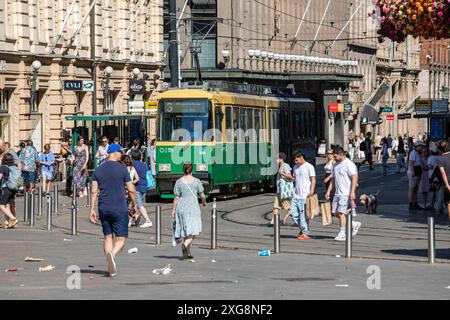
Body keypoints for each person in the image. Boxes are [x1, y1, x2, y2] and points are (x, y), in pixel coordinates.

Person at [89, 144, 137, 277]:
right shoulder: (122, 169)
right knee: (121, 239)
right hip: (119, 207)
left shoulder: (98, 170)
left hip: (103, 207)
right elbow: (131, 190)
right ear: (114, 153)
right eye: (120, 152)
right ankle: (113, 254)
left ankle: (111, 269)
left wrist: (92, 209)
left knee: (108, 237)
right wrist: (134, 206)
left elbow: (93, 191)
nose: (121, 155)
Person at [326, 146, 362, 241]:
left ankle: (343, 233)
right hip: (337, 193)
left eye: (335, 156)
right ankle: (353, 224)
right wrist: (329, 191)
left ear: (341, 154)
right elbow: (333, 179)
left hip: (346, 193)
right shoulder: (335, 165)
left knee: (341, 213)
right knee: (335, 213)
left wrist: (352, 192)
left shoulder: (349, 164)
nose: (334, 158)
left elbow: (354, 177)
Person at [172, 162, 206, 259]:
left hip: (181, 207)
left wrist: (173, 210)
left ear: (183, 170)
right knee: (194, 229)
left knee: (185, 229)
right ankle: (185, 244)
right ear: (192, 170)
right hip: (192, 207)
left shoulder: (178, 182)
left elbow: (176, 197)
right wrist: (203, 201)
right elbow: (202, 194)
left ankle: (188, 252)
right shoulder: (196, 181)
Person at [291, 152, 316, 241]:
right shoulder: (295, 167)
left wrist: (311, 190)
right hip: (296, 194)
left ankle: (305, 232)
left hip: (305, 195)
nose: (295, 162)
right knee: (293, 215)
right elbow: (295, 179)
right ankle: (303, 229)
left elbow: (313, 179)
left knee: (302, 215)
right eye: (294, 160)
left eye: (296, 160)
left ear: (301, 157)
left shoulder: (309, 166)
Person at [130, 149, 153, 228]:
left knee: (139, 205)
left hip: (137, 187)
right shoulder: (144, 164)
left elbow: (132, 175)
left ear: (132, 157)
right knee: (134, 204)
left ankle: (148, 220)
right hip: (144, 186)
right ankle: (129, 222)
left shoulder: (133, 165)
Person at [270, 153, 293, 225]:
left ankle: (284, 219)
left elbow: (290, 176)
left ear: (281, 159)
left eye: (277, 159)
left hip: (283, 191)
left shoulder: (285, 166)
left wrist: (282, 174)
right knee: (276, 206)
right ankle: (272, 221)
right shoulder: (281, 166)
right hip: (279, 191)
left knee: (289, 208)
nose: (276, 160)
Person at [0, 153, 19, 229]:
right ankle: (7, 223)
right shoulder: (14, 167)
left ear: (4, 159)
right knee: (8, 205)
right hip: (13, 189)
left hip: (6, 188)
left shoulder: (3, 167)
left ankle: (13, 219)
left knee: (1, 205)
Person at [436, 141, 450, 228]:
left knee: (449, 203)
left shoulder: (440, 159)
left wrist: (447, 185)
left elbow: (443, 173)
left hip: (448, 182)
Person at [407, 140, 424, 210]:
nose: (422, 147)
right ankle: (411, 204)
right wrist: (413, 172)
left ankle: (415, 203)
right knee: (411, 189)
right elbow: (411, 163)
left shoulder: (418, 153)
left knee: (415, 189)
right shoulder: (413, 153)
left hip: (417, 172)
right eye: (421, 146)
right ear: (418, 146)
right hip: (413, 173)